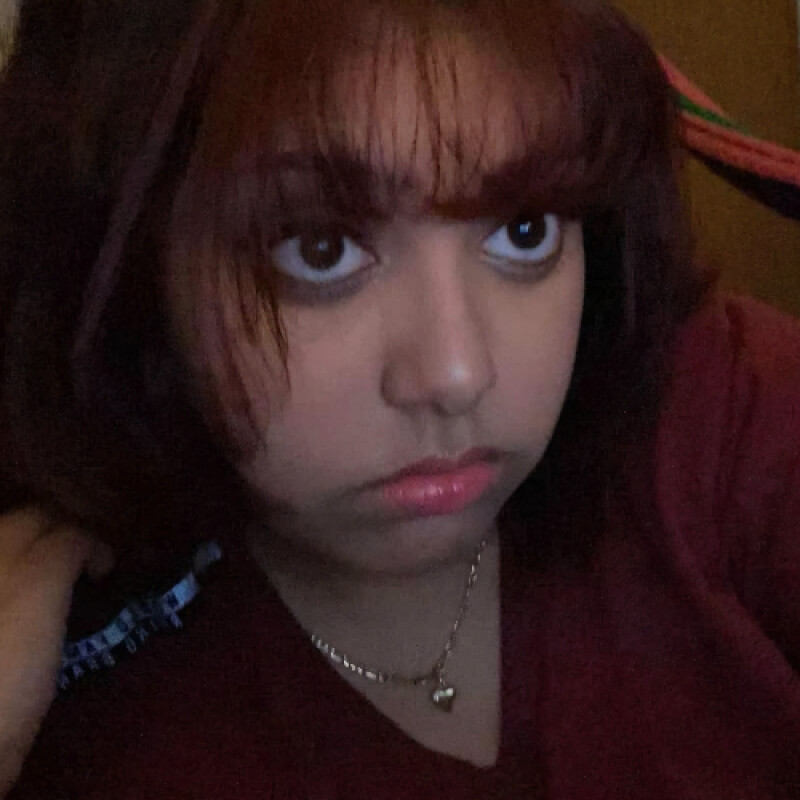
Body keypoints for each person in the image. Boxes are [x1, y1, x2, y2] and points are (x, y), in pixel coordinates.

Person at [0, 0, 799, 797]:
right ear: (128, 266)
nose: (457, 374)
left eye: (524, 228)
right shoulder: (73, 710)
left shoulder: (712, 411)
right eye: (320, 248)